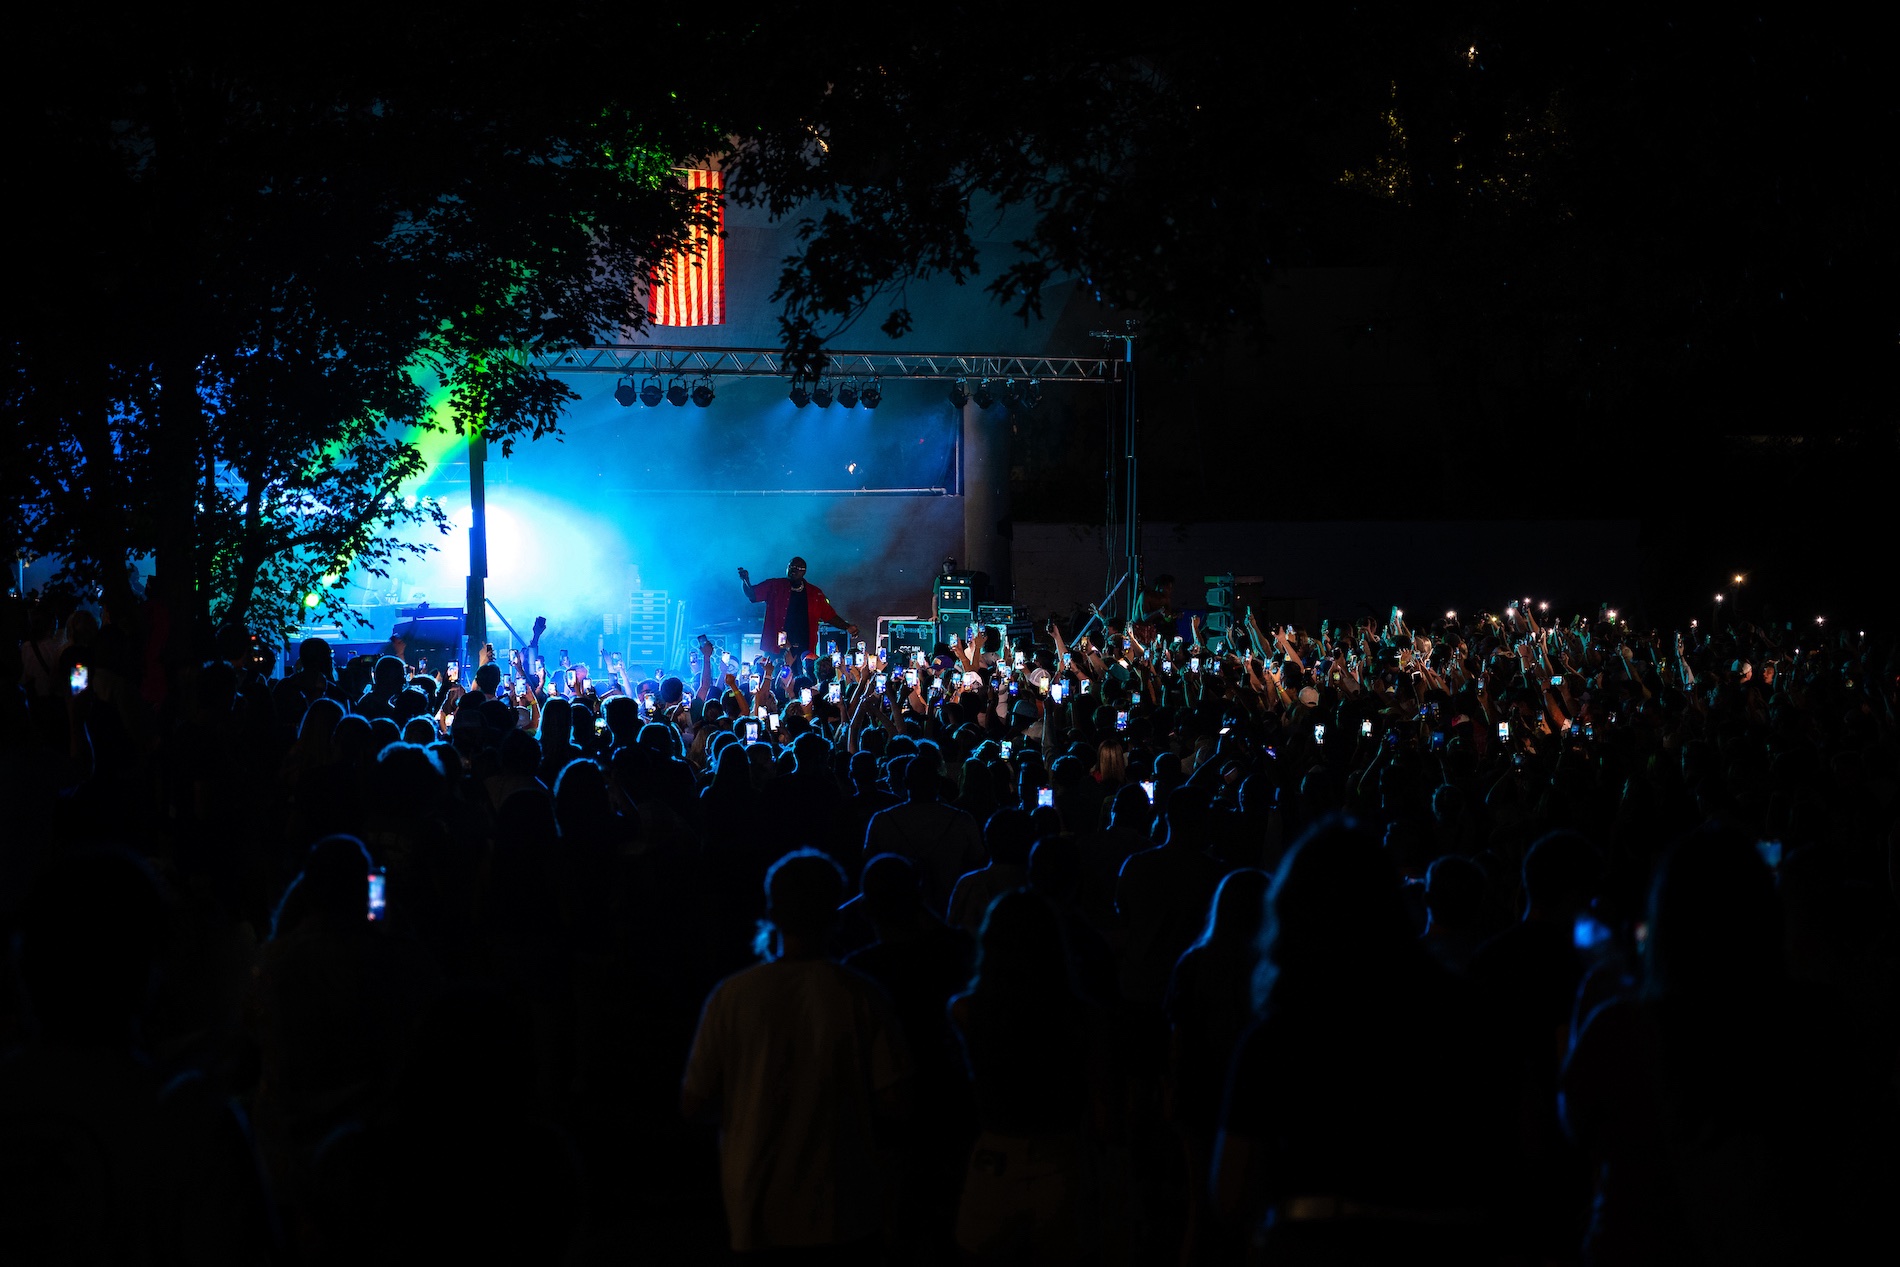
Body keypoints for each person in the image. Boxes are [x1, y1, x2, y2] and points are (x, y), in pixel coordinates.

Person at [682, 849, 912, 1261]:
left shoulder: (733, 996)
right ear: (837, 914)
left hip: (756, 1197)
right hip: (843, 1202)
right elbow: (894, 1099)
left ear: (772, 912)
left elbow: (694, 1102)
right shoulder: (861, 995)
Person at [738, 556, 858, 668]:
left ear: (803, 572)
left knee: (803, 682)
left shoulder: (814, 593)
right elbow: (752, 594)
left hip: (804, 647)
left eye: (797, 568)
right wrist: (745, 580)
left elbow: (829, 615)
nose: (793, 570)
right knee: (774, 678)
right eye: (790, 567)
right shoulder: (775, 586)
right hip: (776, 647)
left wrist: (846, 626)